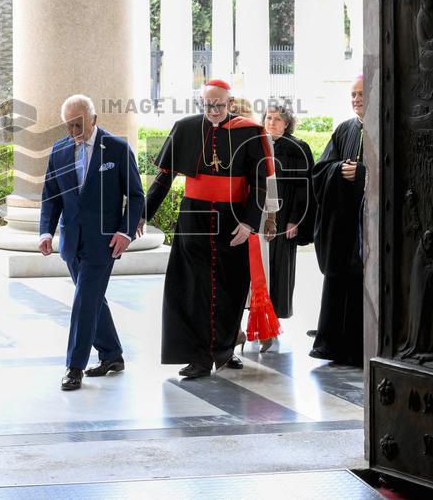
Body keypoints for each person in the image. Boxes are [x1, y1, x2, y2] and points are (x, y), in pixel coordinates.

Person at [142, 80, 275, 379]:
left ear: (229, 103)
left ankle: (225, 350)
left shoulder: (250, 131)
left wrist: (249, 222)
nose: (214, 111)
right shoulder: (185, 128)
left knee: (231, 288)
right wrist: (142, 214)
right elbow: (164, 178)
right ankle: (200, 357)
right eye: (207, 105)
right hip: (195, 219)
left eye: (219, 105)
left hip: (234, 219)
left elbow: (259, 183)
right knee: (196, 289)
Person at [39, 94, 143, 391]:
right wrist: (45, 232)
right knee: (93, 299)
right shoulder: (59, 150)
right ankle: (112, 355)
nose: (73, 132)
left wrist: (125, 232)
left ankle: (74, 367)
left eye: (79, 125)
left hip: (104, 242)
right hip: (71, 241)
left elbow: (135, 195)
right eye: (68, 126)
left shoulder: (117, 148)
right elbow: (51, 195)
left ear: (94, 119)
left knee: (84, 299)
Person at [310, 76, 365, 365]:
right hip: (343, 224)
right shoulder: (346, 129)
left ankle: (359, 347)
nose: (356, 99)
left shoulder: (383, 125)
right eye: (353, 94)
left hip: (369, 226)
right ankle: (333, 344)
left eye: (361, 93)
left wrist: (363, 173)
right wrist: (340, 169)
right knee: (339, 280)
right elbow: (321, 170)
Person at [259, 102, 316, 346]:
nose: (271, 123)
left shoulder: (298, 148)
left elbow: (304, 188)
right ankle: (258, 319)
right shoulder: (257, 145)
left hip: (285, 217)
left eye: (277, 119)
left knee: (279, 269)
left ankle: (273, 321)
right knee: (259, 269)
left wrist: (296, 219)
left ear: (287, 123)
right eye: (268, 118)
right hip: (260, 215)